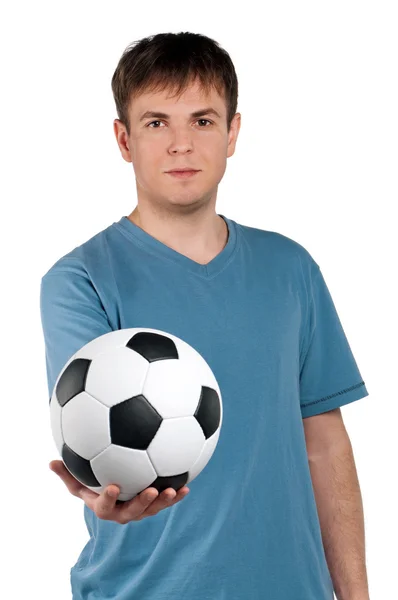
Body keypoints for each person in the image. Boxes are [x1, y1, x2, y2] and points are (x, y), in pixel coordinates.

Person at [40, 31, 370, 600]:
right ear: (123, 139)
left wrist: (357, 595)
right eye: (155, 122)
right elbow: (93, 440)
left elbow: (325, 444)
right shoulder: (81, 280)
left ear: (232, 132)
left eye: (202, 120)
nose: (180, 145)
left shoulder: (290, 268)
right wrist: (108, 498)